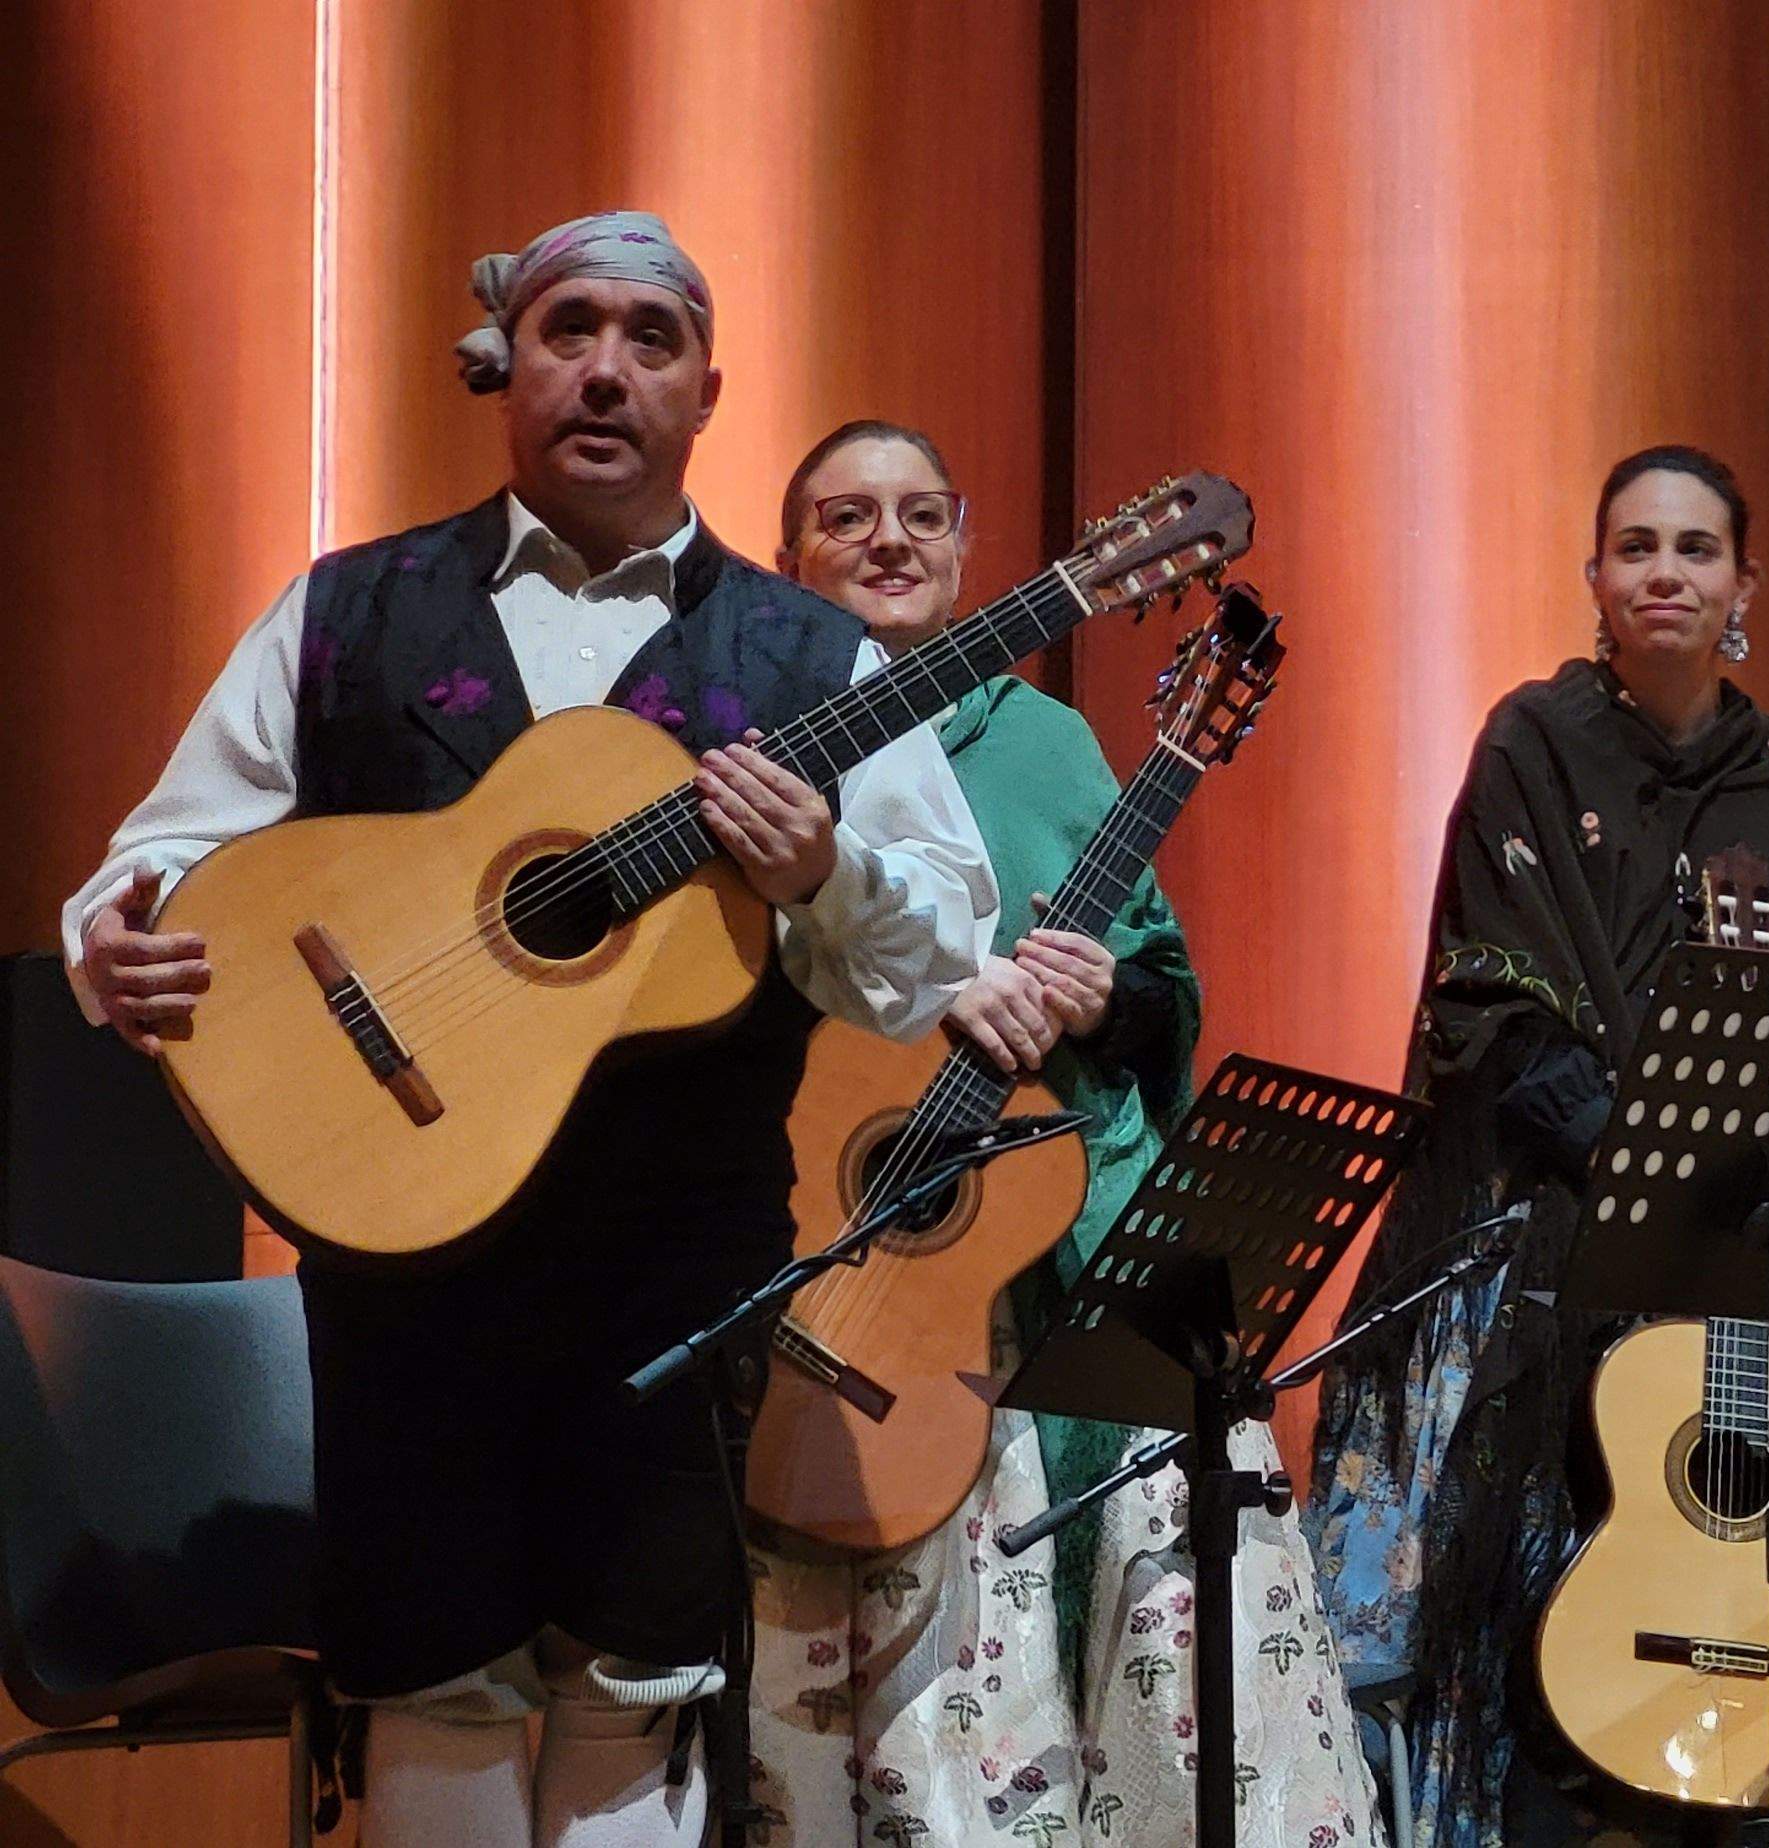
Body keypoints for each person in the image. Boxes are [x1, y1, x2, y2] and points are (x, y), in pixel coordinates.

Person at [62, 212, 996, 1848]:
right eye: (572, 329)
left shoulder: (812, 652)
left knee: (636, 1688)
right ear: (507, 365)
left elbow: (931, 961)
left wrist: (820, 867)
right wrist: (118, 942)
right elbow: (165, 855)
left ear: (710, 388)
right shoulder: (345, 614)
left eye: (651, 338)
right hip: (406, 1257)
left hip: (670, 1269)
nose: (608, 370)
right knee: (430, 1689)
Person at [1302, 445, 1769, 1843]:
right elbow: (1495, 1010)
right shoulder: (1532, 743)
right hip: (1565, 1249)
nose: (1664, 574)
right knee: (1520, 1661)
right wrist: (1661, 1173)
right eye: (1635, 547)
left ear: (1745, 584)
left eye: (1694, 549)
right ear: (1595, 578)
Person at [741, 421, 1376, 1844]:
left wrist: (1106, 998)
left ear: (968, 546)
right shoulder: (764, 756)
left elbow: (1164, 990)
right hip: (876, 1278)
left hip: (1082, 1236)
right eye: (848, 518)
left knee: (1174, 1659)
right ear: (788, 562)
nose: (889, 541)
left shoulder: (1051, 741)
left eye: (922, 514)